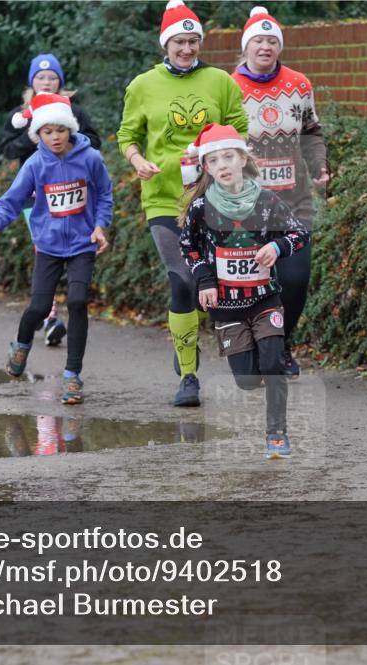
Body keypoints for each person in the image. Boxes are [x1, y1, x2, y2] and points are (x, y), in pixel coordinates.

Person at [117, 0, 249, 408]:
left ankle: (194, 344)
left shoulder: (220, 81)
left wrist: (220, 155)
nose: (187, 48)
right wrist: (138, 161)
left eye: (193, 41)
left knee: (218, 280)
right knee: (183, 279)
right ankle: (189, 377)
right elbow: (127, 136)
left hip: (213, 197)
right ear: (166, 44)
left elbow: (239, 129)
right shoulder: (142, 85)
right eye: (180, 41)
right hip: (162, 198)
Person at [0, 94, 112, 405]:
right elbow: (11, 202)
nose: (55, 137)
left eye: (60, 130)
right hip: (48, 245)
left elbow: (105, 193)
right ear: (38, 134)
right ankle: (22, 345)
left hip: (82, 243)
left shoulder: (90, 158)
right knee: (39, 309)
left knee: (78, 302)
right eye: (47, 131)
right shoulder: (35, 164)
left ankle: (72, 377)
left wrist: (100, 226)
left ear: (70, 130)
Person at [178, 124, 308, 459]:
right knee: (249, 380)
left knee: (273, 362)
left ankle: (276, 433)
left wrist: (278, 247)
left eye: (228, 157)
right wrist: (205, 279)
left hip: (266, 298)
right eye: (214, 160)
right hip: (227, 305)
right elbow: (188, 246)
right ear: (205, 167)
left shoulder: (267, 201)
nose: (222, 165)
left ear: (242, 159)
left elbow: (299, 233)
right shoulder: (201, 207)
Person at [231, 7, 329, 379]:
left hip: (294, 202)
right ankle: (253, 347)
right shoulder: (229, 88)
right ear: (246, 47)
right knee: (250, 283)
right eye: (258, 40)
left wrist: (319, 166)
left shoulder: (299, 84)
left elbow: (312, 131)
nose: (266, 46)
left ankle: (282, 343)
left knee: (294, 279)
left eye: (272, 41)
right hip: (245, 204)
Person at [0, 54, 102, 347]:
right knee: (44, 248)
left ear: (60, 82)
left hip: (71, 189)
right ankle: (50, 317)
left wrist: (71, 138)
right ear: (32, 81)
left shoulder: (75, 113)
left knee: (65, 250)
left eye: (52, 78)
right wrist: (31, 139)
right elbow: (7, 150)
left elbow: (95, 141)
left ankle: (49, 316)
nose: (46, 82)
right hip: (34, 195)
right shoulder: (20, 116)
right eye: (41, 78)